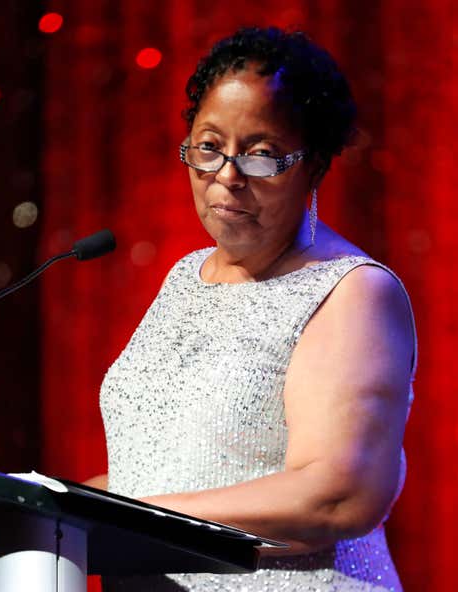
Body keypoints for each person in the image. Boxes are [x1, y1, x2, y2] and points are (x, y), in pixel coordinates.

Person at [89, 26, 416, 591]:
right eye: (209, 147)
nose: (227, 177)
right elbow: (162, 471)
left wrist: (126, 517)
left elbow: (337, 495)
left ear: (314, 164)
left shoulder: (352, 292)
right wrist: (35, 506)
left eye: (262, 156)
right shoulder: (183, 279)